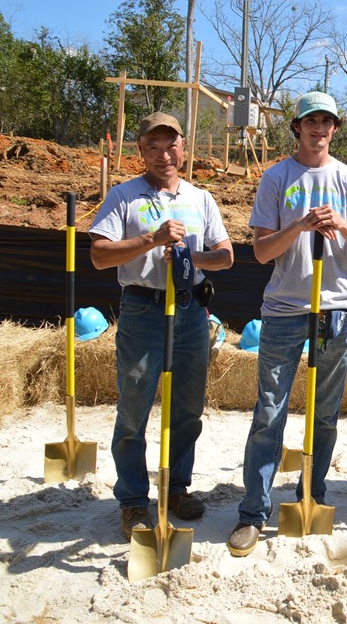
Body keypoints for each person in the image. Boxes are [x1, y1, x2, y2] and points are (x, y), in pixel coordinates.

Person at [227, 91, 347, 556]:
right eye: (310, 121)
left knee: (325, 413)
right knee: (269, 412)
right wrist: (298, 226)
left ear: (335, 128)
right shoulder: (276, 177)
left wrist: (341, 225)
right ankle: (254, 511)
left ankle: (312, 493)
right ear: (296, 127)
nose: (318, 129)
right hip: (284, 309)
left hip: (335, 310)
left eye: (326, 122)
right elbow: (261, 251)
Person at [90, 111, 234, 541]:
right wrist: (151, 240)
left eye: (171, 146)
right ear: (141, 150)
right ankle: (134, 499)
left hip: (190, 310)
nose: (163, 155)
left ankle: (176, 487)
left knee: (188, 407)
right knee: (134, 408)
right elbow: (99, 255)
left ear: (184, 148)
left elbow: (225, 256)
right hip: (143, 309)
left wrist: (191, 257)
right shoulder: (124, 196)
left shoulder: (201, 198)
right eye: (153, 146)